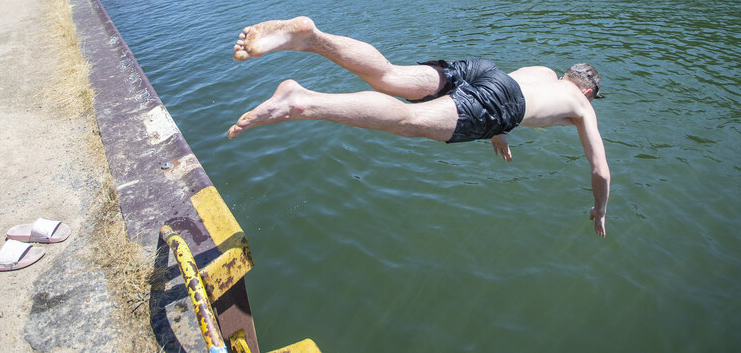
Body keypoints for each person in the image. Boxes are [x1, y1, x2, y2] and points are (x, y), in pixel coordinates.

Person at [228, 16, 611, 237]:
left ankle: (311, 38)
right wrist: (600, 207)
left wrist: (498, 131)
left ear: (566, 73)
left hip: (485, 71)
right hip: (500, 101)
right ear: (589, 90)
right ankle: (301, 101)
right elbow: (600, 169)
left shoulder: (543, 72)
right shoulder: (581, 104)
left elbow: (504, 87)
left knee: (390, 75)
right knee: (408, 121)